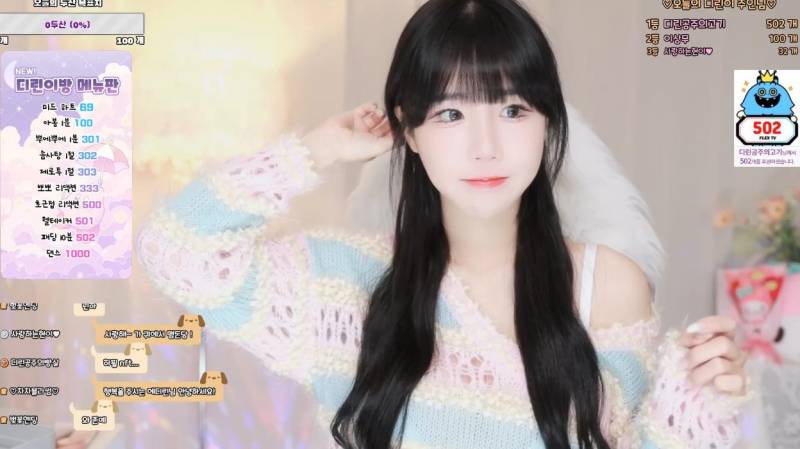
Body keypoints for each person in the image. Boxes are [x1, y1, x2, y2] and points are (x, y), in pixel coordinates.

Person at [136, 0, 755, 448]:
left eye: (513, 109)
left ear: (548, 123)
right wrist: (317, 149)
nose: (485, 148)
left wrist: (699, 399)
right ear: (409, 129)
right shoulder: (343, 285)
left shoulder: (606, 285)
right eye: (452, 113)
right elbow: (177, 250)